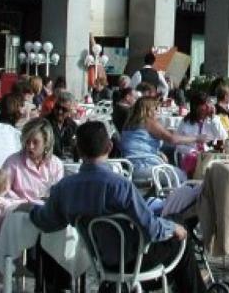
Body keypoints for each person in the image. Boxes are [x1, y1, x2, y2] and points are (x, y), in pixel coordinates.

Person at [24, 121, 207, 292]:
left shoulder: (65, 188)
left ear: (78, 150)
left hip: (101, 261)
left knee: (175, 233)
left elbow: (46, 221)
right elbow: (150, 229)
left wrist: (29, 207)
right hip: (134, 260)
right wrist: (174, 227)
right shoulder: (120, 185)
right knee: (180, 232)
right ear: (109, 147)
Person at [119, 95, 204, 182]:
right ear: (149, 110)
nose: (158, 111)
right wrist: (196, 138)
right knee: (181, 175)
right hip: (145, 167)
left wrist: (158, 152)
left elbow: (138, 145)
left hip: (130, 167)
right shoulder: (148, 122)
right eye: (156, 108)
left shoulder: (128, 124)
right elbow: (172, 139)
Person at [2, 118, 64, 202]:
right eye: (27, 141)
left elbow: (58, 194)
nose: (30, 146)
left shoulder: (56, 164)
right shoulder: (12, 162)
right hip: (19, 210)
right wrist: (22, 203)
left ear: (46, 142)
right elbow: (3, 190)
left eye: (35, 142)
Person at [175, 92, 227, 160]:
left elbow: (222, 136)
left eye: (208, 104)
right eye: (204, 105)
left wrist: (213, 118)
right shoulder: (185, 122)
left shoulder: (212, 121)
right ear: (195, 107)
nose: (207, 107)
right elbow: (178, 144)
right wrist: (193, 152)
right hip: (191, 158)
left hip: (208, 156)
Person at [47, 92, 80, 161]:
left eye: (64, 109)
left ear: (70, 111)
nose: (60, 112)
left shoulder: (72, 126)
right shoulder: (44, 123)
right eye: (57, 107)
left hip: (68, 164)